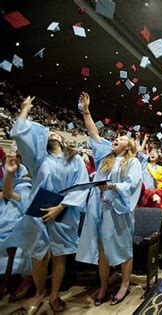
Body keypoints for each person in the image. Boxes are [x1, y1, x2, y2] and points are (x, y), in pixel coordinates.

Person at [10, 96, 90, 313]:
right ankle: (39, 292)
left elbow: (81, 187)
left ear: (64, 140)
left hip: (63, 212)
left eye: (56, 133)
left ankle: (54, 295)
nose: (53, 134)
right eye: (50, 133)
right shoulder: (38, 159)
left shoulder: (75, 160)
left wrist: (61, 207)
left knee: (59, 255)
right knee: (38, 255)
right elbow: (19, 133)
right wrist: (25, 109)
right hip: (39, 211)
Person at [75, 92, 142, 306]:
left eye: (121, 139)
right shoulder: (105, 157)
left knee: (123, 248)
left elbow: (131, 184)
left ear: (129, 147)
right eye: (116, 138)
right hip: (99, 208)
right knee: (102, 247)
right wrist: (86, 110)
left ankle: (123, 284)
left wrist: (112, 186)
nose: (116, 139)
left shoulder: (133, 163)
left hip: (118, 210)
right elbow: (93, 133)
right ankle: (103, 285)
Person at [0, 151, 32, 301]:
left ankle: (24, 281)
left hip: (26, 209)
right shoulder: (13, 175)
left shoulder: (27, 173)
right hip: (11, 207)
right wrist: (9, 174)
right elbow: (7, 192)